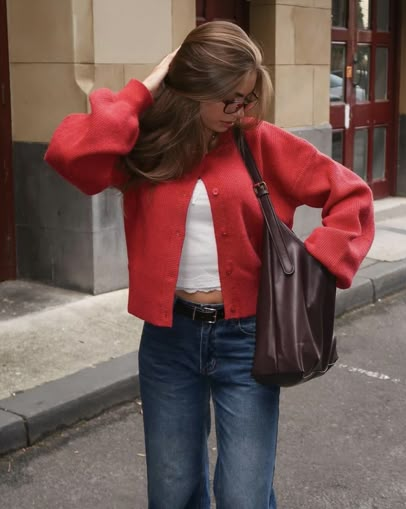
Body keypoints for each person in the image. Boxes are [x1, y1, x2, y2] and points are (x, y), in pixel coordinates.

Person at [45, 21, 374, 509]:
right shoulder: (148, 146)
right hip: (169, 340)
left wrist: (316, 267)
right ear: (195, 90)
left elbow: (352, 197)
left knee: (244, 494)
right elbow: (71, 155)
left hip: (248, 340)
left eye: (246, 98)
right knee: (173, 490)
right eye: (227, 98)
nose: (238, 110)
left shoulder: (263, 144)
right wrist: (146, 87)